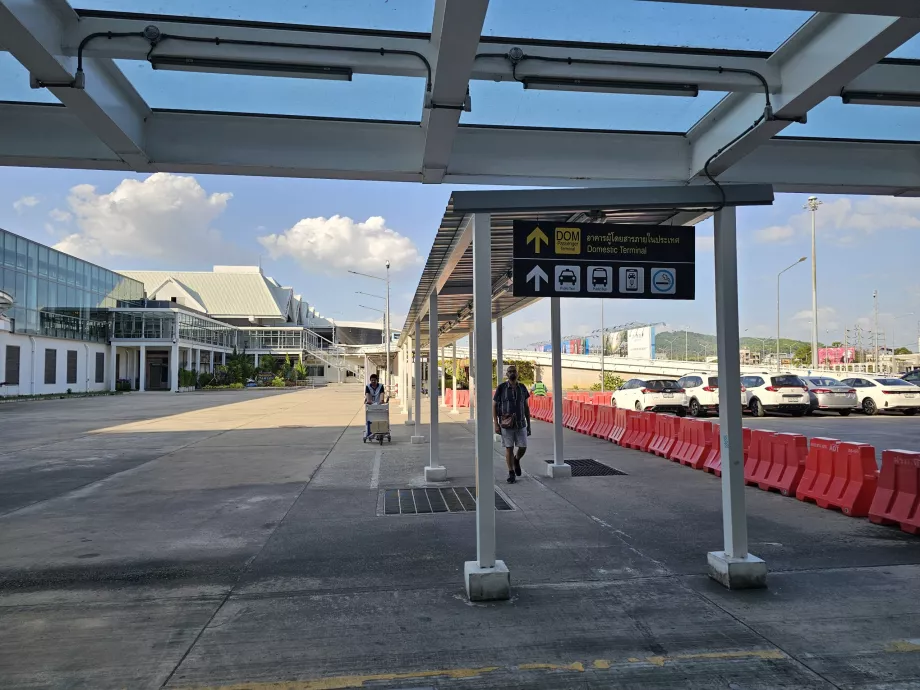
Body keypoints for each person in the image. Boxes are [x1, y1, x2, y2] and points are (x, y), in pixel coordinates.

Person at [493, 364, 531, 484]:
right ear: (507, 374)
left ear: (517, 373)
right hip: (506, 424)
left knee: (523, 446)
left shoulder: (522, 388)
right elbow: (494, 406)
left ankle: (516, 459)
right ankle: (511, 472)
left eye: (514, 371)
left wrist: (528, 424)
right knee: (509, 448)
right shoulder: (501, 388)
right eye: (510, 371)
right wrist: (496, 424)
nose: (512, 373)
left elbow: (526, 406)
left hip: (521, 423)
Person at [364, 373, 385, 439]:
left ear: (377, 380)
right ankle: (370, 433)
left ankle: (380, 432)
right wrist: (368, 401)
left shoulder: (381, 386)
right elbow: (367, 394)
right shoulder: (368, 386)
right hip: (371, 404)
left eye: (374, 380)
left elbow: (382, 393)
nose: (373, 381)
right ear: (370, 380)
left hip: (379, 404)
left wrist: (381, 400)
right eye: (372, 380)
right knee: (370, 418)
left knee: (380, 418)